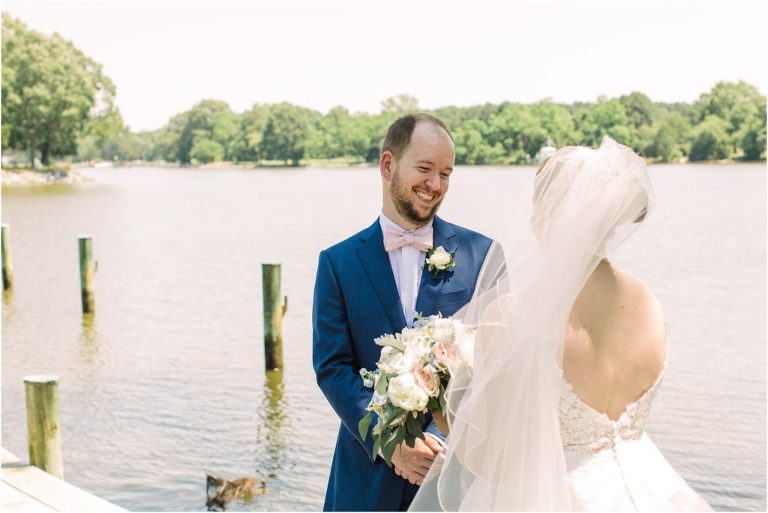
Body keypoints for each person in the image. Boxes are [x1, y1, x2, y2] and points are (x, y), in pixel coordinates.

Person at [410, 137, 713, 511]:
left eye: (537, 205)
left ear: (546, 216)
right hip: (648, 488)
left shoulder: (514, 314)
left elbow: (491, 459)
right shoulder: (649, 303)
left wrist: (443, 407)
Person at [312, 113, 497, 511]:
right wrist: (390, 442)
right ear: (387, 165)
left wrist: (443, 438)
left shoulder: (483, 255)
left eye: (446, 173)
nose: (436, 185)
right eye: (425, 169)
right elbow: (332, 368)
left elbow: (498, 363)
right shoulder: (337, 263)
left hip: (454, 479)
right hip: (365, 481)